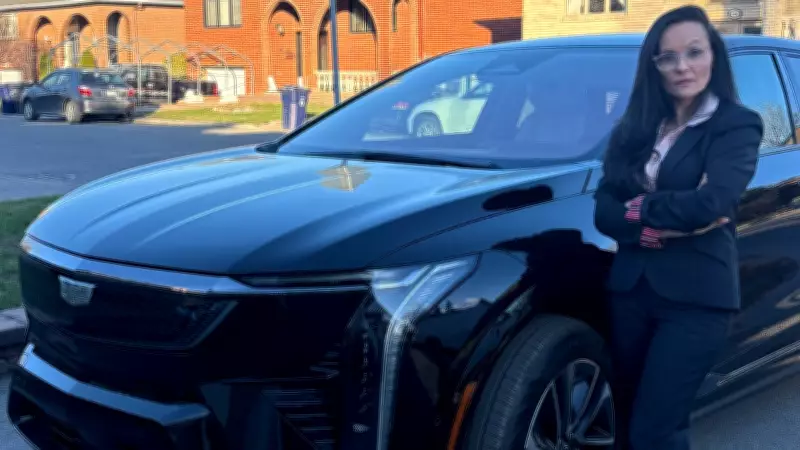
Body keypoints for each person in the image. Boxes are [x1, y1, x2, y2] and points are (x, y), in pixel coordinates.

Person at [593, 5, 764, 450]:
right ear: (654, 66)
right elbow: (603, 210)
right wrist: (646, 223)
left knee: (656, 430)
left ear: (713, 55)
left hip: (696, 298)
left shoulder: (736, 124)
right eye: (667, 57)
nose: (682, 66)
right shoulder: (635, 127)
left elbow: (711, 204)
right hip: (631, 291)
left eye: (694, 52)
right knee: (625, 423)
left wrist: (639, 207)